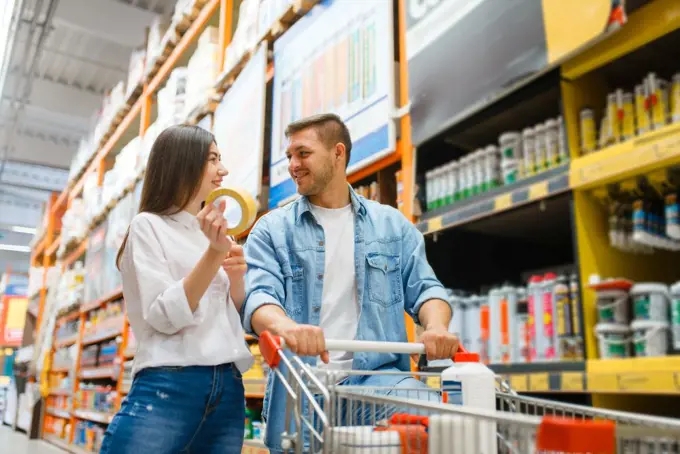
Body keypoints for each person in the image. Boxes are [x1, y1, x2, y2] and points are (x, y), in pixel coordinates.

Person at [241, 113, 458, 452]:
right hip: (301, 389)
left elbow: (427, 289)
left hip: (379, 383)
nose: (293, 165)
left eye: (303, 153)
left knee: (445, 427)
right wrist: (287, 327)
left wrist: (437, 327)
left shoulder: (391, 225)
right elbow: (258, 297)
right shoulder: (272, 230)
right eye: (289, 157)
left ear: (337, 153)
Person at [100, 125, 253, 454]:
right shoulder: (148, 226)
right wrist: (214, 255)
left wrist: (237, 277)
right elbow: (164, 316)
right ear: (183, 163)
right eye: (213, 159)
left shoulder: (211, 232)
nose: (223, 170)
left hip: (228, 387)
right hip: (171, 382)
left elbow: (235, 315)